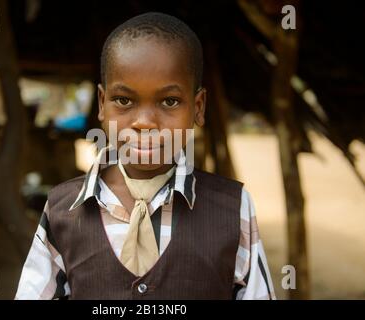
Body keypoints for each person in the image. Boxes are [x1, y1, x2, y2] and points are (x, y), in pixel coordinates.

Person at [15, 12, 275, 300]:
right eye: (124, 100)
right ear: (102, 104)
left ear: (198, 107)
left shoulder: (232, 209)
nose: (145, 122)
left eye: (169, 101)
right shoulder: (62, 210)